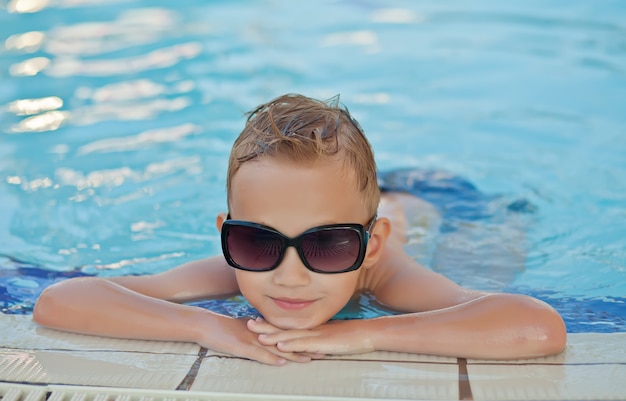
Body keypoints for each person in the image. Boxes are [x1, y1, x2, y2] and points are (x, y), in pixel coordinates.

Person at [33, 93, 566, 365]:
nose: (288, 277)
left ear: (369, 245)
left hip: (446, 204)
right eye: (257, 241)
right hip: (372, 201)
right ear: (227, 233)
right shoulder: (233, 269)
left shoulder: (387, 277)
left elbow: (536, 325)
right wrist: (208, 327)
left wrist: (361, 334)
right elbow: (62, 300)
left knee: (492, 261)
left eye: (328, 244)